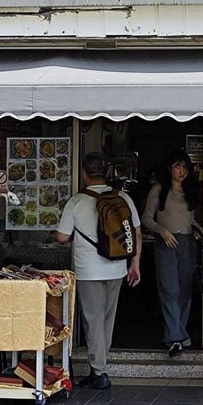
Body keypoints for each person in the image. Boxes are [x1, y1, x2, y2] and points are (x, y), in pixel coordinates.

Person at [56, 151, 141, 390]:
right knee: (106, 320)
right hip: (116, 267)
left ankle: (99, 372)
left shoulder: (77, 201)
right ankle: (100, 365)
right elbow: (136, 232)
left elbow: (62, 236)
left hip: (88, 270)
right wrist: (135, 264)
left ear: (84, 173)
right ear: (106, 173)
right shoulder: (122, 197)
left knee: (93, 321)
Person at [141, 149, 202, 357]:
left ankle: (178, 333)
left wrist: (197, 229)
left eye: (185, 167)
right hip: (165, 242)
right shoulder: (159, 189)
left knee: (185, 290)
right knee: (170, 289)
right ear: (170, 168)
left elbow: (196, 220)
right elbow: (146, 219)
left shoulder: (192, 191)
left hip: (187, 242)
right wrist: (162, 231)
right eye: (178, 166)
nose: (182, 171)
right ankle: (175, 337)